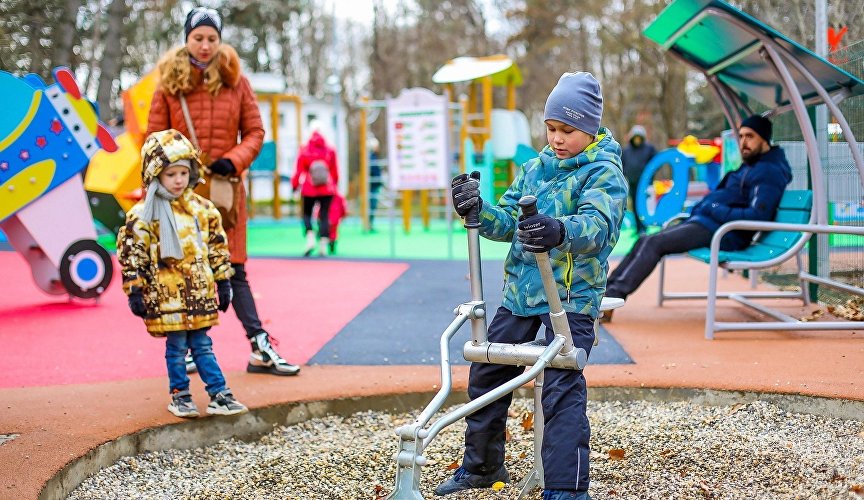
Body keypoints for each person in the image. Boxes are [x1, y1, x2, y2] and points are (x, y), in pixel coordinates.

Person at [437, 72, 627, 500]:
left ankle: (566, 489)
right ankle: (482, 466)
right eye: (551, 128)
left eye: (568, 130)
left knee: (561, 382)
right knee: (487, 371)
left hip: (571, 296)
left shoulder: (604, 173)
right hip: (523, 292)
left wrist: (558, 229)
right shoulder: (536, 168)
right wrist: (478, 210)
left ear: (591, 128)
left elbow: (599, 227)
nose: (557, 139)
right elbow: (506, 221)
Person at [147, 7, 299, 376]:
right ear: (187, 39)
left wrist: (234, 160)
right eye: (197, 37)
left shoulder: (236, 80)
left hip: (225, 192)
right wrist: (175, 170)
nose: (204, 45)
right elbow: (152, 139)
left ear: (220, 40)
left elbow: (255, 131)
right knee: (184, 270)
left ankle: (259, 346)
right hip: (180, 193)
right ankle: (186, 349)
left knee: (235, 269)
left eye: (211, 38)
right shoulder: (168, 82)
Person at [603, 114, 792, 320]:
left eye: (750, 137)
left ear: (764, 139)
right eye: (741, 136)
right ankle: (605, 294)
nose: (743, 142)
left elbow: (757, 216)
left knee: (655, 243)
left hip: (725, 232)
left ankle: (611, 298)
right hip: (709, 223)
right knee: (645, 239)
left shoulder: (769, 172)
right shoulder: (752, 165)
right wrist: (708, 207)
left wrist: (714, 207)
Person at [117, 129, 248, 418]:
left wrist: (223, 281)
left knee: (203, 345)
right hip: (166, 295)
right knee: (176, 348)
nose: (178, 180)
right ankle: (180, 394)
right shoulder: (143, 214)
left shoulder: (202, 210)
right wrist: (135, 288)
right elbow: (133, 251)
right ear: (155, 175)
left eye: (183, 173)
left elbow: (217, 246)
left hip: (198, 292)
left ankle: (219, 393)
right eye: (170, 174)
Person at [292, 130, 339, 257]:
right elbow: (334, 170)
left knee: (306, 214)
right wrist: (334, 185)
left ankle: (310, 238)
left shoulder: (305, 150)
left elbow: (299, 170)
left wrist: (295, 185)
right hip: (327, 188)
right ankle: (323, 244)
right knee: (324, 215)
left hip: (309, 187)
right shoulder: (330, 150)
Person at [621, 124, 657, 235]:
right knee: (636, 205)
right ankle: (638, 228)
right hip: (633, 182)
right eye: (635, 138)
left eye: (639, 138)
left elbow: (655, 163)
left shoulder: (649, 149)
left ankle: (644, 227)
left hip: (645, 184)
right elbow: (622, 164)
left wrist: (650, 176)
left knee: (644, 206)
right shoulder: (626, 151)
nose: (637, 140)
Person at [368, 137, 383, 231]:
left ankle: (370, 223)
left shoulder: (372, 156)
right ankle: (370, 224)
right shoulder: (371, 157)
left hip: (374, 185)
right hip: (373, 185)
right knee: (372, 205)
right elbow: (374, 171)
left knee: (372, 205)